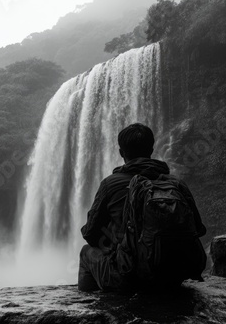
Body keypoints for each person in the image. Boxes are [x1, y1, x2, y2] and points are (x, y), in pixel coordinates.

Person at [78, 123, 206, 291]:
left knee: (86, 252)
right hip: (173, 276)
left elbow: (90, 234)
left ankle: (95, 309)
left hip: (130, 278)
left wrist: (116, 241)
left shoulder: (110, 184)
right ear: (151, 150)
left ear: (121, 153)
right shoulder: (176, 183)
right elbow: (199, 230)